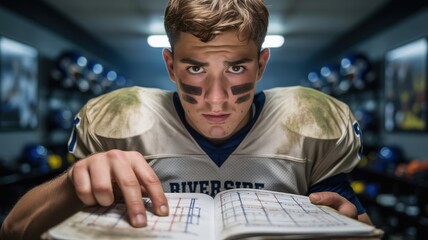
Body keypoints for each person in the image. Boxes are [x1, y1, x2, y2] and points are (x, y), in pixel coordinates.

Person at [0, 0, 373, 239]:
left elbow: (353, 223)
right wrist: (71, 184)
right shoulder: (119, 122)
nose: (215, 98)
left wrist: (353, 228)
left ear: (261, 65)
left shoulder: (309, 124)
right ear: (170, 66)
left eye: (236, 67)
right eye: (195, 67)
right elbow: (14, 230)